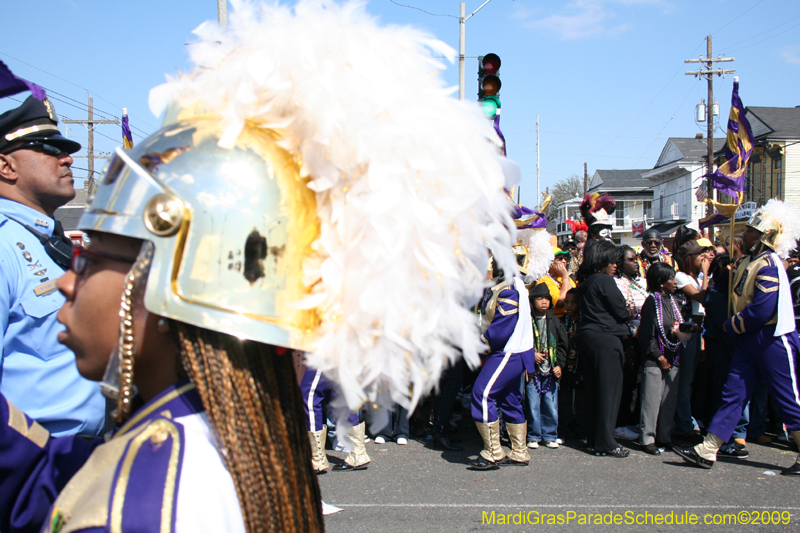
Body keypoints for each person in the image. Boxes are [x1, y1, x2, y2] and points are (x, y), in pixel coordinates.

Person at [0, 95, 106, 437]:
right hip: (36, 464)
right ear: (6, 167)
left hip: (86, 455)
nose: (67, 159)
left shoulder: (48, 240)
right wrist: (33, 457)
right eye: (48, 148)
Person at [675, 200, 800, 476]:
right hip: (747, 340)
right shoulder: (746, 261)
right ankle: (708, 448)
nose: (745, 233)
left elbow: (762, 309)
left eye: (752, 231)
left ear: (766, 237)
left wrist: (731, 325)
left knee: (786, 397)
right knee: (733, 393)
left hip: (771, 338)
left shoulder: (769, 264)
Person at [469, 265, 535, 470]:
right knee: (509, 398)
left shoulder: (510, 287)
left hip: (508, 351)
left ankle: (493, 452)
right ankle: (519, 451)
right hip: (511, 351)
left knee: (483, 394)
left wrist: (479, 345)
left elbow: (500, 329)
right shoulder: (505, 283)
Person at [575, 239, 631, 457]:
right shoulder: (605, 281)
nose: (615, 265)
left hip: (587, 335)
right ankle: (606, 442)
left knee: (593, 391)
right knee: (609, 391)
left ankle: (594, 439)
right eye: (612, 261)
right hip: (606, 338)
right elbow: (621, 311)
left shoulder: (587, 281)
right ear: (602, 260)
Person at [671, 238, 714, 444]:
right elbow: (701, 297)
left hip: (698, 331)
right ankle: (682, 425)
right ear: (688, 259)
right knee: (684, 380)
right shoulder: (680, 277)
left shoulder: (693, 277)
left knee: (689, 380)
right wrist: (705, 273)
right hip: (686, 333)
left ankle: (686, 420)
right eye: (699, 255)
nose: (704, 258)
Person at [637, 262, 682, 455]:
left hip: (674, 355)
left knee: (668, 400)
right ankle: (647, 438)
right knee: (652, 400)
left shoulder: (674, 301)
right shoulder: (651, 302)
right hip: (655, 357)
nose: (675, 282)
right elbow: (646, 334)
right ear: (661, 282)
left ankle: (665, 436)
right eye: (671, 278)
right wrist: (658, 356)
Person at [525, 283, 567, 449]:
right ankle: (534, 435)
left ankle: (550, 435)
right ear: (532, 301)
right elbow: (522, 344)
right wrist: (531, 356)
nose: (543, 302)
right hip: (533, 371)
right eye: (539, 298)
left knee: (550, 404)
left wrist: (559, 365)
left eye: (546, 299)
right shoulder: (527, 321)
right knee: (532, 404)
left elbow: (563, 346)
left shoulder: (555, 322)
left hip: (551, 370)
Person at [613, 245, 648, 440]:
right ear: (620, 263)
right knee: (626, 383)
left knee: (637, 382)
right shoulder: (617, 284)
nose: (635, 263)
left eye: (636, 259)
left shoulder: (639, 283)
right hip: (627, 338)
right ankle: (620, 423)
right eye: (631, 260)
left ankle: (632, 420)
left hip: (642, 338)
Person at [560, 289, 583, 437]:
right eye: (566, 302)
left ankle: (580, 426)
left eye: (574, 302)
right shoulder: (561, 321)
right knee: (564, 396)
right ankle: (564, 426)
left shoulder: (584, 321)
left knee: (580, 396)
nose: (569, 306)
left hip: (580, 364)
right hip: (564, 364)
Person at [540, 247, 576, 318]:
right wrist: (565, 276)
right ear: (549, 262)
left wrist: (565, 277)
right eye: (560, 258)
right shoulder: (544, 280)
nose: (564, 261)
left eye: (565, 258)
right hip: (557, 319)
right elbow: (561, 302)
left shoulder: (568, 278)